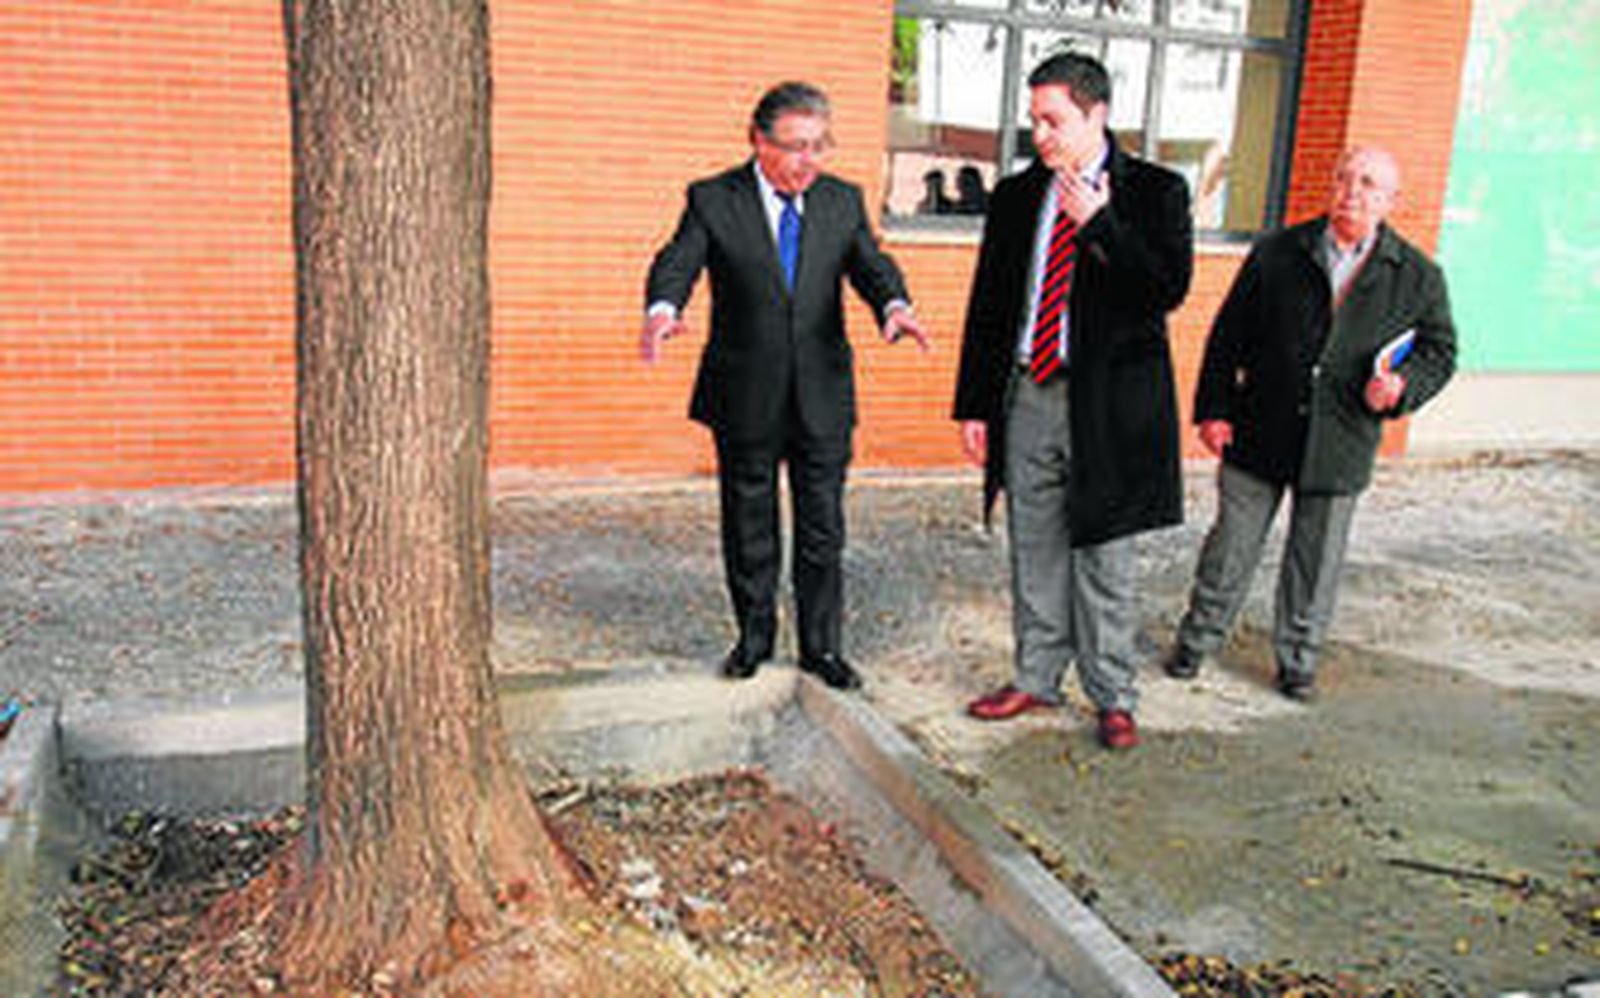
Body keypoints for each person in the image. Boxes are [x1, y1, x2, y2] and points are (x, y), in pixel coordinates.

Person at [642, 81, 929, 691]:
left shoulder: (840, 201)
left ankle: (822, 648)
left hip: (823, 393)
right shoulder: (714, 198)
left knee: (822, 526)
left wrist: (895, 305)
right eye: (795, 147)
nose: (809, 161)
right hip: (744, 390)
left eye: (819, 146)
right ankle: (753, 638)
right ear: (758, 140)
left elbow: (871, 266)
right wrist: (663, 308)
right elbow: (679, 259)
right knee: (750, 523)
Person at [952, 53, 1193, 750]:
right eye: (1035, 121)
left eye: (1054, 120)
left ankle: (1113, 693)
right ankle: (1035, 676)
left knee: (1105, 555)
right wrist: (975, 405)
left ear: (1097, 114)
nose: (1042, 135)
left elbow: (1165, 290)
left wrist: (1101, 227)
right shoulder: (1017, 196)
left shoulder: (1155, 191)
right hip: (1028, 392)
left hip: (1107, 409)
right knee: (1035, 547)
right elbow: (990, 306)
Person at [1165, 146, 1456, 702]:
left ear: (1391, 200)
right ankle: (1197, 640)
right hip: (1260, 427)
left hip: (1341, 439)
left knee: (1316, 561)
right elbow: (1229, 335)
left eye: (1369, 184)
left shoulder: (1417, 276)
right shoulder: (1278, 252)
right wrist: (1214, 408)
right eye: (1345, 179)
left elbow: (1440, 352)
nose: (1353, 192)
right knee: (1231, 546)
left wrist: (1402, 389)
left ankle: (1298, 660)